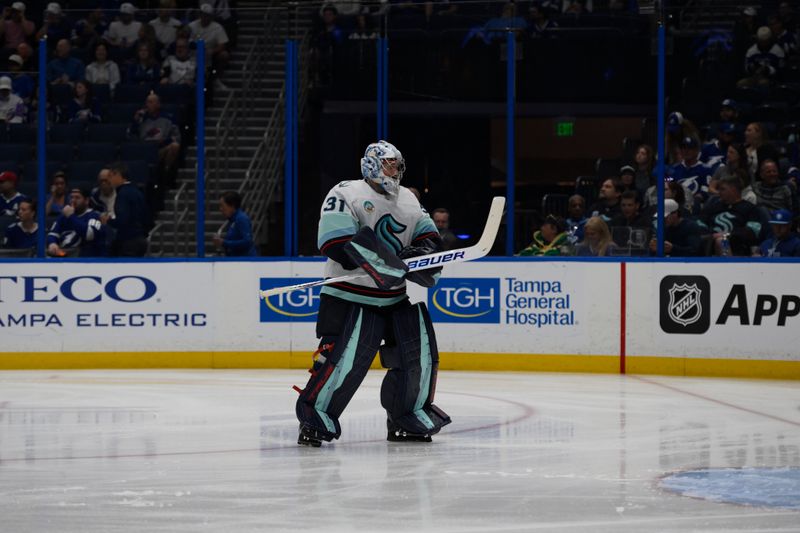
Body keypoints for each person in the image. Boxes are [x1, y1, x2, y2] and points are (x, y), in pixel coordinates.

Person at [293, 140, 450, 447]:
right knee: (343, 361)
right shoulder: (345, 192)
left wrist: (424, 255)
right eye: (390, 164)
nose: (396, 170)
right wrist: (383, 262)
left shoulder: (408, 198)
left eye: (398, 165)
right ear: (372, 164)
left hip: (393, 297)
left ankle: (407, 417)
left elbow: (429, 237)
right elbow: (335, 242)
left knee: (416, 355)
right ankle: (315, 418)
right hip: (347, 295)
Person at [699, 176, 763, 256]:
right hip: (710, 244)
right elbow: (700, 223)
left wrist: (727, 234)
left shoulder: (750, 208)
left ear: (733, 190)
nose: (719, 192)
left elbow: (752, 231)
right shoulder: (713, 206)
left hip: (736, 246)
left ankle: (728, 265)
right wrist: (711, 236)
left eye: (723, 189)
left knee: (722, 241)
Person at [101, 162, 151, 257]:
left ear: (118, 175)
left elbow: (123, 220)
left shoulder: (123, 194)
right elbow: (146, 217)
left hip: (129, 242)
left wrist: (108, 220)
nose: (109, 180)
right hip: (140, 240)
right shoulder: (137, 192)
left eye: (110, 176)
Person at [46, 187, 106, 257]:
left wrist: (71, 217)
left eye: (77, 198)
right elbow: (52, 233)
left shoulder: (93, 216)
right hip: (63, 255)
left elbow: (89, 235)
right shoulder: (64, 216)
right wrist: (52, 243)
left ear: (86, 201)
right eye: (71, 197)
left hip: (84, 258)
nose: (73, 200)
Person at [213, 191, 257, 256]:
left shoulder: (241, 219)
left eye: (222, 206)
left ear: (232, 206)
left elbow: (247, 242)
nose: (220, 209)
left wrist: (223, 242)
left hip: (245, 262)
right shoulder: (232, 220)